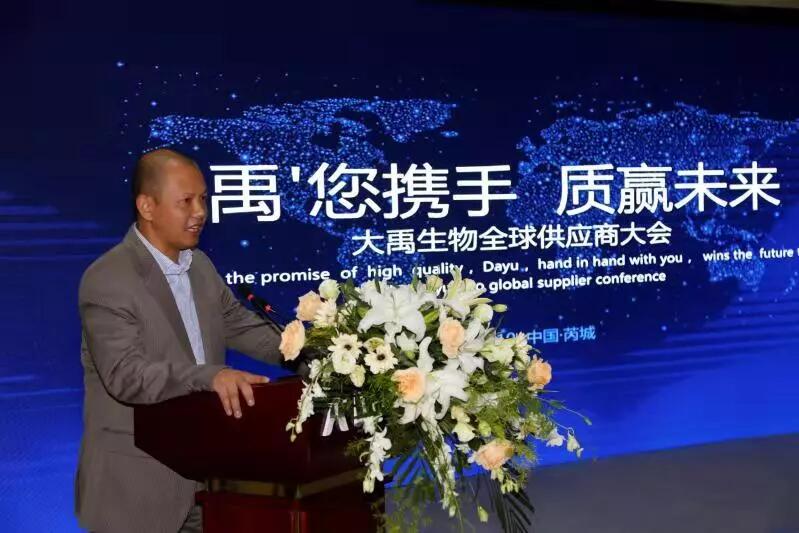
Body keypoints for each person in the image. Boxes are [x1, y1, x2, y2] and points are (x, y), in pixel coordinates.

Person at [75, 148, 282, 533]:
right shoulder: (108, 279)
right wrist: (209, 377)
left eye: (203, 198)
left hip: (207, 481)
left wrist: (313, 350)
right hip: (136, 490)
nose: (200, 211)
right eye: (186, 201)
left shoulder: (199, 265)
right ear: (147, 206)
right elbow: (126, 375)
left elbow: (239, 324)